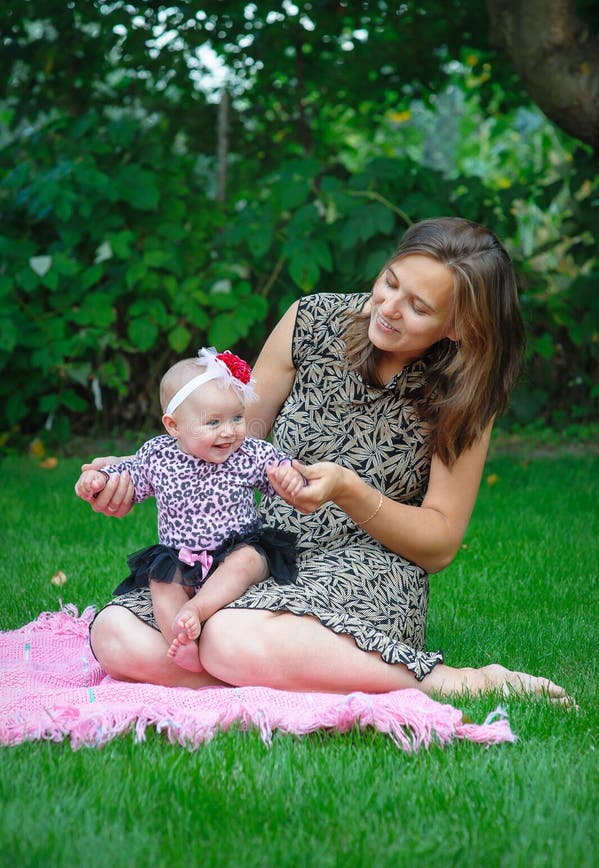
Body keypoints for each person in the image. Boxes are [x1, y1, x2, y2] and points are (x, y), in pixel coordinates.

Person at [77, 217, 570, 702]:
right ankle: (292, 673)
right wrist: (133, 469)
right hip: (252, 554)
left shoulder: (463, 392)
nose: (389, 308)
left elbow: (438, 544)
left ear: (459, 326)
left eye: (418, 306)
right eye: (390, 282)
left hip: (365, 567)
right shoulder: (312, 321)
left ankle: (446, 682)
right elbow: (240, 429)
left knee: (228, 637)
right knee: (115, 634)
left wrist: (349, 491)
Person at [76, 347, 304, 673]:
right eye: (213, 422)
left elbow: (277, 466)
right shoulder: (158, 456)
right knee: (162, 581)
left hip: (237, 545)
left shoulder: (247, 453)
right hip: (180, 555)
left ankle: (196, 608)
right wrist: (99, 479)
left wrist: (288, 477)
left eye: (237, 418)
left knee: (249, 560)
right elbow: (130, 475)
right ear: (174, 426)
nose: (229, 431)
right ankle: (180, 640)